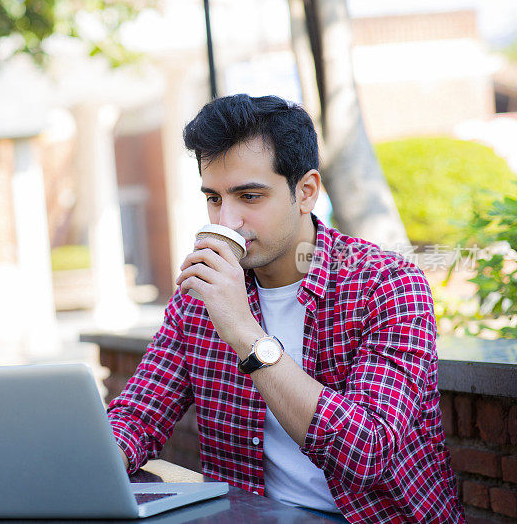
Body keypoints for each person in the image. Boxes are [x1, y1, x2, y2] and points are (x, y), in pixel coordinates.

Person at [106, 95, 463, 523]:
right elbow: (137, 416)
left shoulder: (386, 285)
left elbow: (367, 453)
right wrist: (86, 458)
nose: (226, 222)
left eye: (249, 196)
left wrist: (245, 332)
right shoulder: (201, 295)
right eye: (214, 198)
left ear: (306, 192)